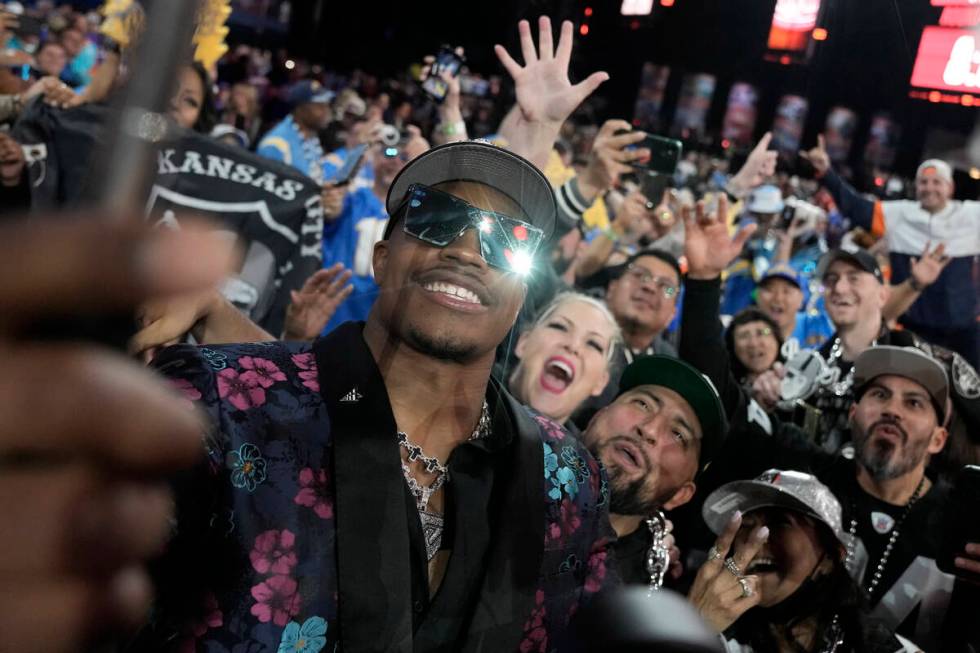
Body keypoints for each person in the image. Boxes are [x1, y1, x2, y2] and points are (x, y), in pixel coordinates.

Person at [132, 140, 617, 652]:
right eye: (436, 218)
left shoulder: (568, 479)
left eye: (508, 242)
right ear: (382, 260)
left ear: (520, 298)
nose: (467, 251)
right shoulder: (223, 400)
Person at [676, 199, 980, 651]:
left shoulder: (964, 521)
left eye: (914, 401)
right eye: (877, 395)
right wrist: (703, 283)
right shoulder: (808, 475)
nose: (892, 409)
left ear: (940, 437)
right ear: (854, 415)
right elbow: (720, 393)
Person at [692, 469, 916, 653]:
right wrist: (695, 628)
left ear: (830, 557)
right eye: (747, 524)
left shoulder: (880, 647)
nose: (757, 538)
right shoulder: (714, 638)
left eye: (780, 523)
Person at [803, 138, 980, 368]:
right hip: (912, 327)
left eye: (937, 182)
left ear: (950, 188)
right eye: (923, 182)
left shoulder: (972, 215)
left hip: (963, 328)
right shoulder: (898, 215)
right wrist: (826, 172)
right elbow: (854, 207)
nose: (929, 188)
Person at [579, 354, 727, 587]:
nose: (648, 430)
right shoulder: (513, 464)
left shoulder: (649, 587)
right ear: (596, 417)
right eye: (642, 404)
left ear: (680, 494)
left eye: (678, 434)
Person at [571, 248, 682, 429]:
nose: (650, 287)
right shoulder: (574, 319)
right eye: (639, 275)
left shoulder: (667, 364)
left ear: (672, 314)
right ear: (612, 287)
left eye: (666, 287)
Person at [506, 291, 621, 432]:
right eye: (560, 327)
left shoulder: (579, 454)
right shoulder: (472, 392)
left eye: (593, 344)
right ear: (523, 343)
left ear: (601, 382)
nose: (573, 346)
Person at [257, 79, 334, 183]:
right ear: (300, 109)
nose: (327, 112)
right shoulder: (276, 145)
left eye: (327, 105)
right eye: (319, 106)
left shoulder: (310, 137)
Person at [754, 263, 833, 350]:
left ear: (801, 299)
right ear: (758, 297)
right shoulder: (746, 334)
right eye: (770, 289)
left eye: (786, 291)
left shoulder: (820, 324)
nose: (778, 298)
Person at [725, 308, 783, 391]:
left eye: (761, 333)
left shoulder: (798, 377)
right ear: (732, 347)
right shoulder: (726, 391)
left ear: (777, 339)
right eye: (744, 336)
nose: (753, 343)